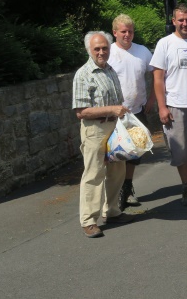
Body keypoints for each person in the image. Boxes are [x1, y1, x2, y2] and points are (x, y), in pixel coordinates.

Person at [72, 31, 134, 238]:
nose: (101, 52)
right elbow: (81, 112)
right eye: (96, 48)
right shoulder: (83, 74)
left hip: (114, 128)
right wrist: (111, 110)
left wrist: (120, 113)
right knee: (94, 174)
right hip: (95, 129)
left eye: (104, 48)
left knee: (117, 171)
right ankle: (89, 220)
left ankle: (113, 211)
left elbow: (117, 103)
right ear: (89, 50)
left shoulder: (110, 70)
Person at [150, 4, 187, 206]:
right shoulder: (164, 44)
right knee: (181, 152)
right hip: (176, 106)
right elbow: (158, 79)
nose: (185, 23)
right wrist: (162, 107)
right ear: (174, 21)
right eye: (181, 20)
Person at [107, 14, 155, 211]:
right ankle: (113, 194)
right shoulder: (107, 52)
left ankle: (127, 189)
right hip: (114, 114)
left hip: (137, 110)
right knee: (116, 154)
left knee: (134, 154)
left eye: (130, 31)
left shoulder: (142, 52)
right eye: (123, 31)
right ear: (115, 32)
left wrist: (152, 100)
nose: (127, 35)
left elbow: (158, 74)